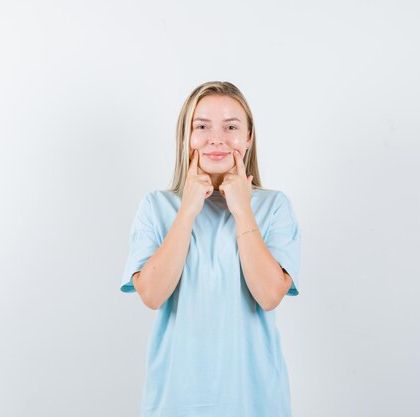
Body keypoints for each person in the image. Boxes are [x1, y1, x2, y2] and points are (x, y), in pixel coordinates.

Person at [120, 81, 302, 417]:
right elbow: (152, 295)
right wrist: (188, 208)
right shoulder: (156, 206)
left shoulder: (274, 207)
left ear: (248, 138)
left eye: (231, 127)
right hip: (175, 402)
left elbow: (269, 295)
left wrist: (242, 209)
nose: (216, 138)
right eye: (201, 126)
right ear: (185, 137)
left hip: (255, 403)